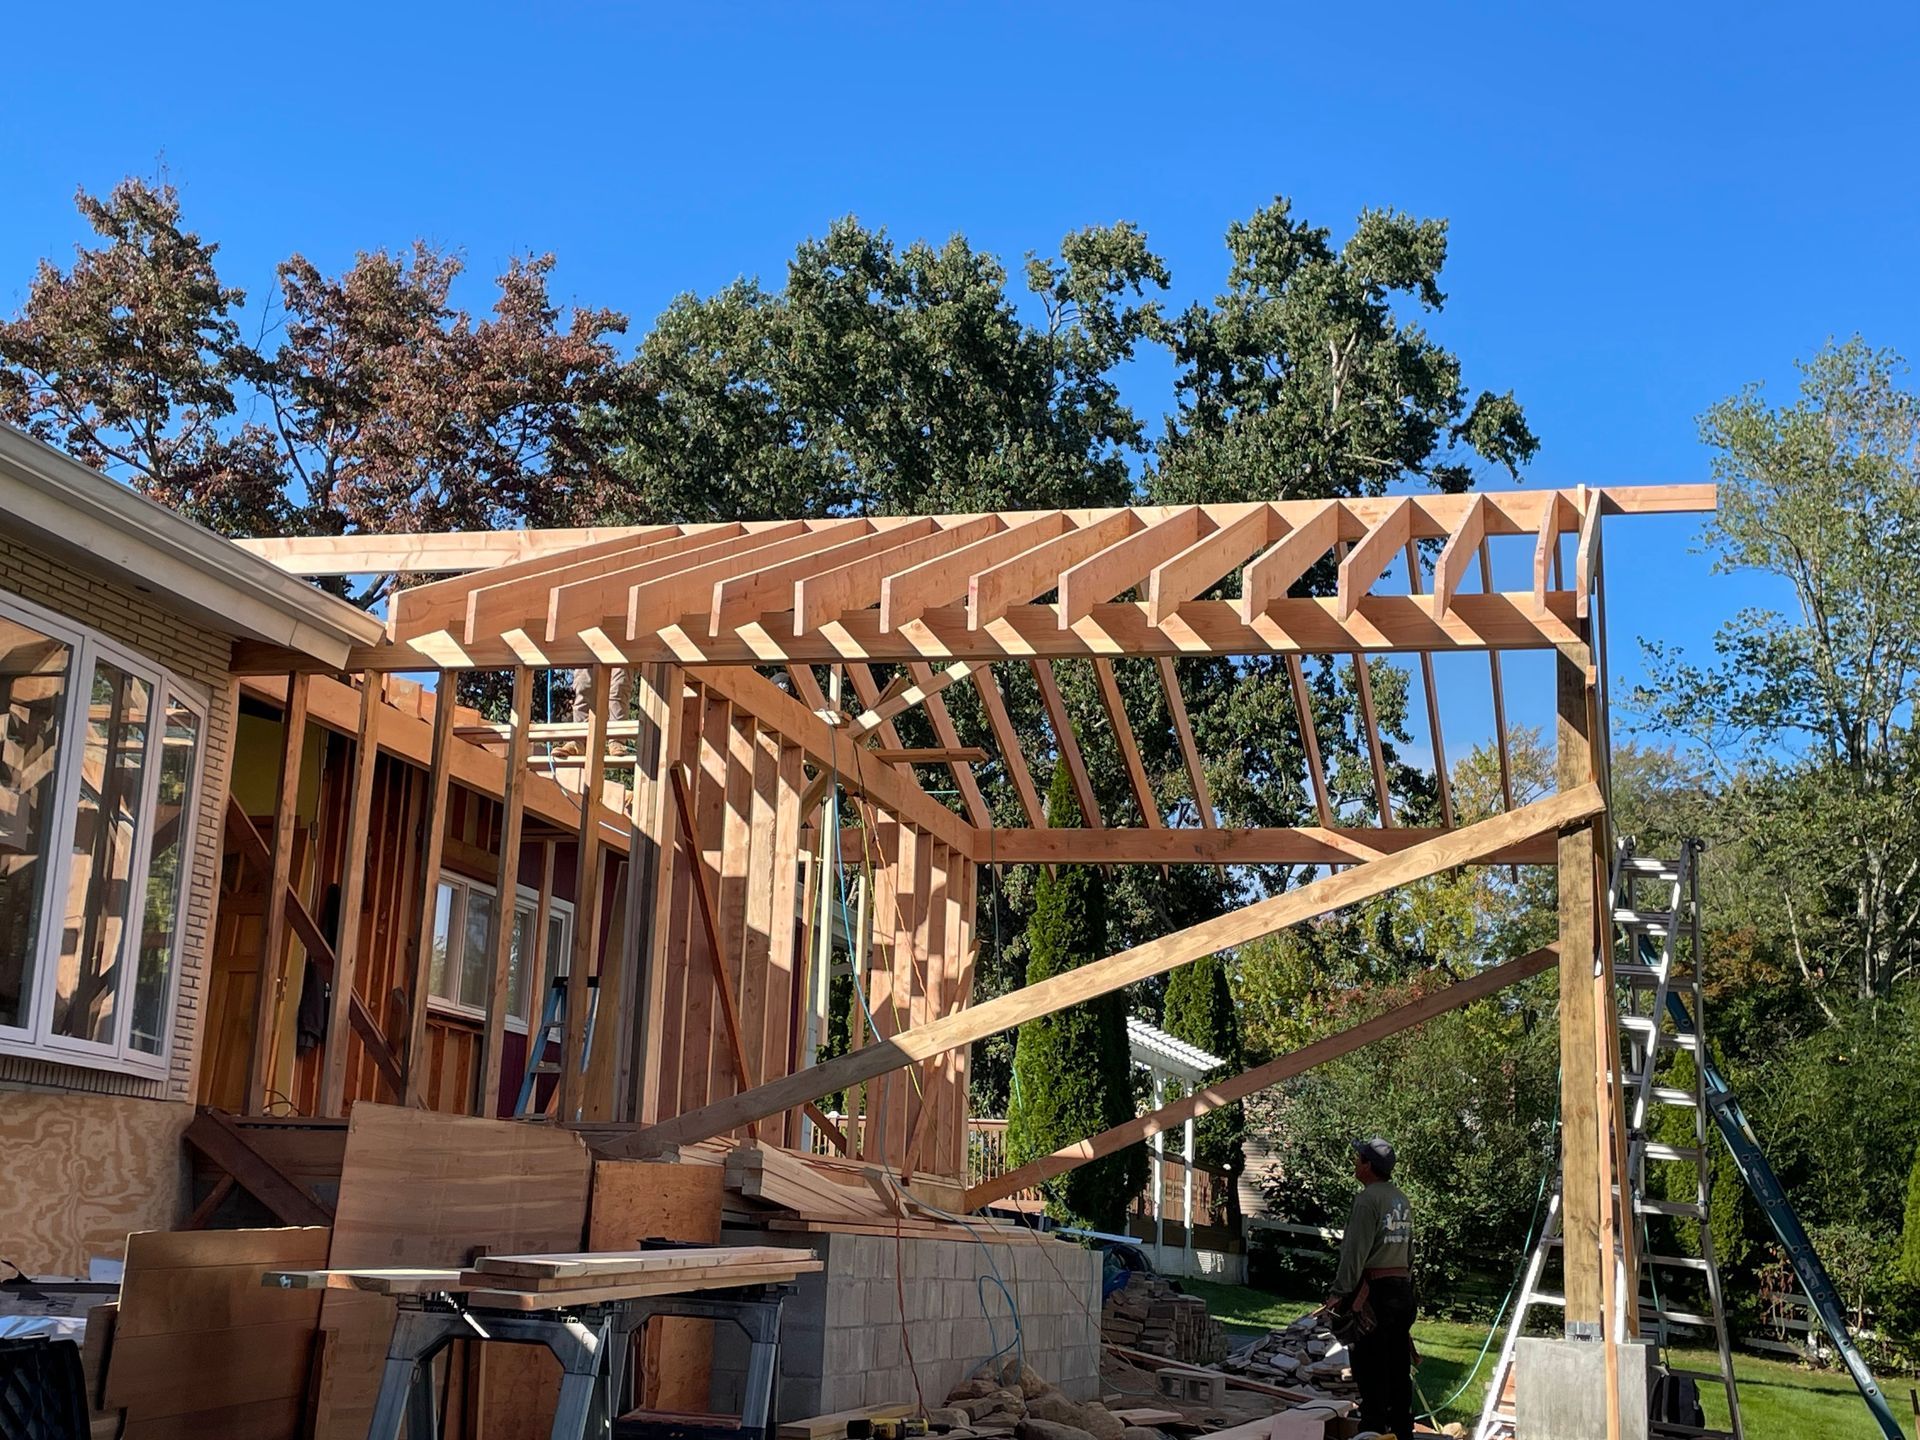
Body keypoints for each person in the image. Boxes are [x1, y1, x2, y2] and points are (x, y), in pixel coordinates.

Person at [1328, 1136, 1416, 1440]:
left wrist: (1340, 1293)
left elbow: (1355, 1251)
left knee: (1370, 1367)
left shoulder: (1367, 1200)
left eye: (1359, 1159)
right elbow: (1410, 1252)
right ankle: (1403, 1430)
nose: (1355, 1162)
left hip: (1375, 1294)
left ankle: (1373, 1431)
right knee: (1397, 1366)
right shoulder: (1399, 1198)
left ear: (1368, 1166)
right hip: (1401, 1290)